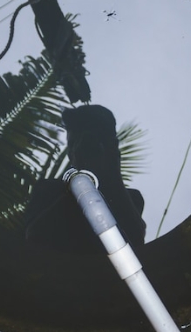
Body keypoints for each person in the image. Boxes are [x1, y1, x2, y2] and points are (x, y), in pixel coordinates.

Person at [23, 105, 146, 254]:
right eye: (72, 144)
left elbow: (135, 241)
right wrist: (82, 182)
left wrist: (112, 174)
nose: (76, 150)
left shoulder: (132, 198)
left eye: (88, 142)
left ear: (112, 146)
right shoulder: (49, 189)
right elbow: (33, 237)